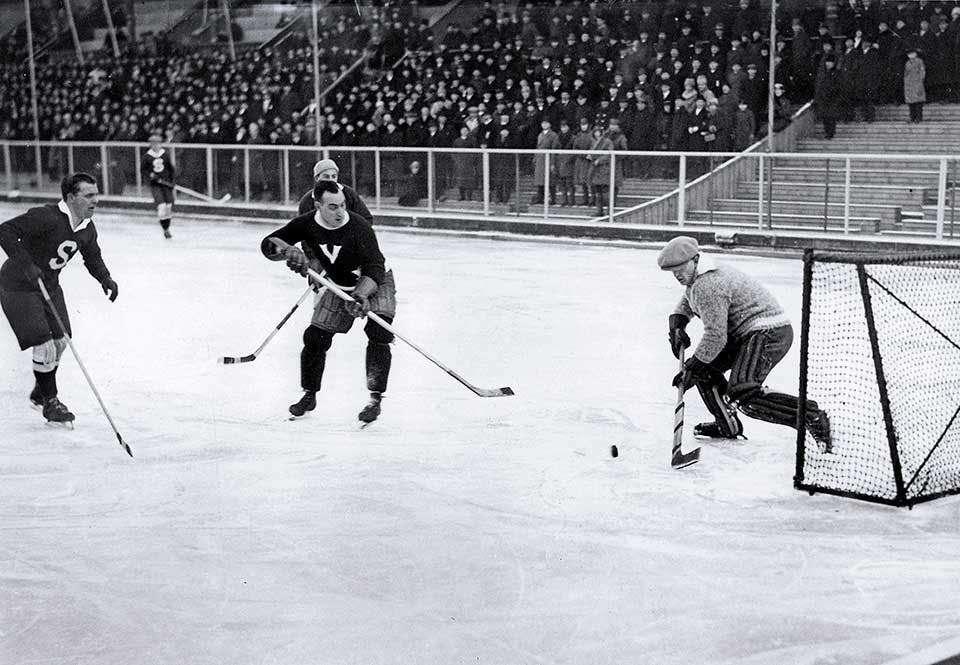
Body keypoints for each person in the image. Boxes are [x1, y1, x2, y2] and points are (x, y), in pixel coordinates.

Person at [658, 236, 832, 449]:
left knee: (742, 392)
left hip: (769, 332)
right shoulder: (700, 275)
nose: (677, 275)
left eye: (680, 268)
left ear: (695, 259)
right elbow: (689, 298)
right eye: (673, 271)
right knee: (705, 370)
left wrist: (692, 366)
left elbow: (716, 336)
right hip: (746, 333)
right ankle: (726, 425)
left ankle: (811, 415)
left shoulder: (708, 283)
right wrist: (677, 323)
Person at [261, 180, 397, 424]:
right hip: (338, 286)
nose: (340, 212)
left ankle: (375, 399)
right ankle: (309, 394)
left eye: (343, 205)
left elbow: (375, 268)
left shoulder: (359, 226)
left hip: (373, 284)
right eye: (333, 207)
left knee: (379, 331)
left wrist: (362, 294)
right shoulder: (305, 224)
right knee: (314, 338)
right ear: (317, 206)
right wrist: (287, 251)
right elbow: (269, 243)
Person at [0, 172, 119, 426]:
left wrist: (105, 279)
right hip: (18, 286)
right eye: (88, 195)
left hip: (49, 286)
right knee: (44, 345)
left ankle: (40, 391)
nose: (95, 200)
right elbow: (5, 231)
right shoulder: (46, 216)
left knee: (61, 341)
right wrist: (26, 264)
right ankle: (50, 402)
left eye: (96, 194)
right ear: (71, 197)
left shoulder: (86, 228)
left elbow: (92, 257)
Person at [296, 158, 373, 223]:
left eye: (333, 176)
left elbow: (366, 219)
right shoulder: (307, 200)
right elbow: (300, 227)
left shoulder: (349, 194)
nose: (330, 180)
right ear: (317, 178)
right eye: (326, 176)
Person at [140, 132, 176, 239]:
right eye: (153, 144)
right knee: (161, 206)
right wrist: (150, 176)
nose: (155, 146)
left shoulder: (165, 155)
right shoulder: (147, 157)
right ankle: (165, 229)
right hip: (155, 185)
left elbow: (171, 169)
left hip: (166, 183)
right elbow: (143, 171)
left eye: (157, 143)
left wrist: (173, 181)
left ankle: (167, 227)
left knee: (169, 206)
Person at [903, 47, 927, 123]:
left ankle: (919, 117)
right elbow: (906, 73)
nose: (910, 55)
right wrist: (906, 82)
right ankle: (912, 117)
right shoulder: (907, 63)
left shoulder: (919, 61)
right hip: (909, 84)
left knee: (918, 102)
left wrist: (920, 80)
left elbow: (922, 71)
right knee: (911, 102)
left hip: (917, 82)